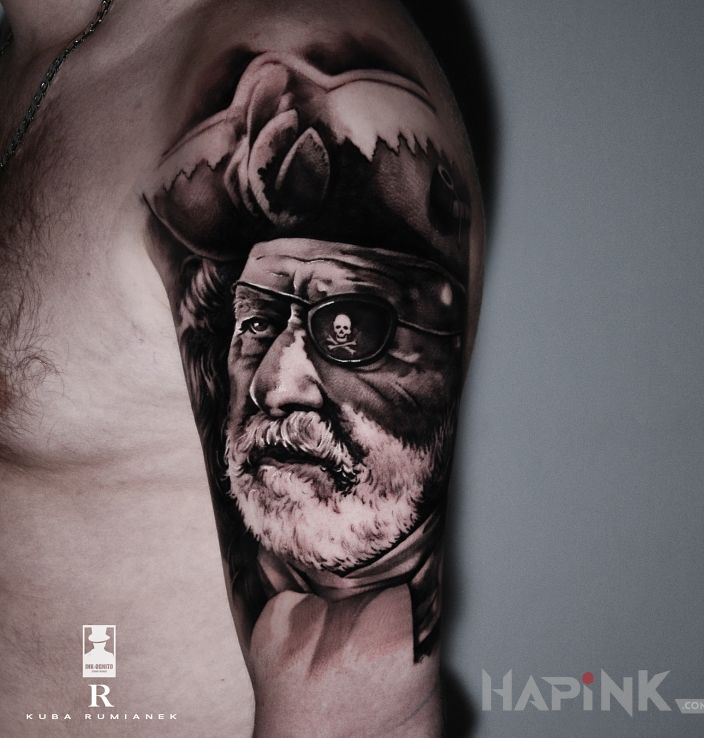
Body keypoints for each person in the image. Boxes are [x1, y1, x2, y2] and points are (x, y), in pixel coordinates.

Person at [0, 1, 484, 735]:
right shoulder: (28, 66)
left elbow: (365, 718)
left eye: (346, 327)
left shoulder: (268, 41)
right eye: (256, 322)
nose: (273, 383)